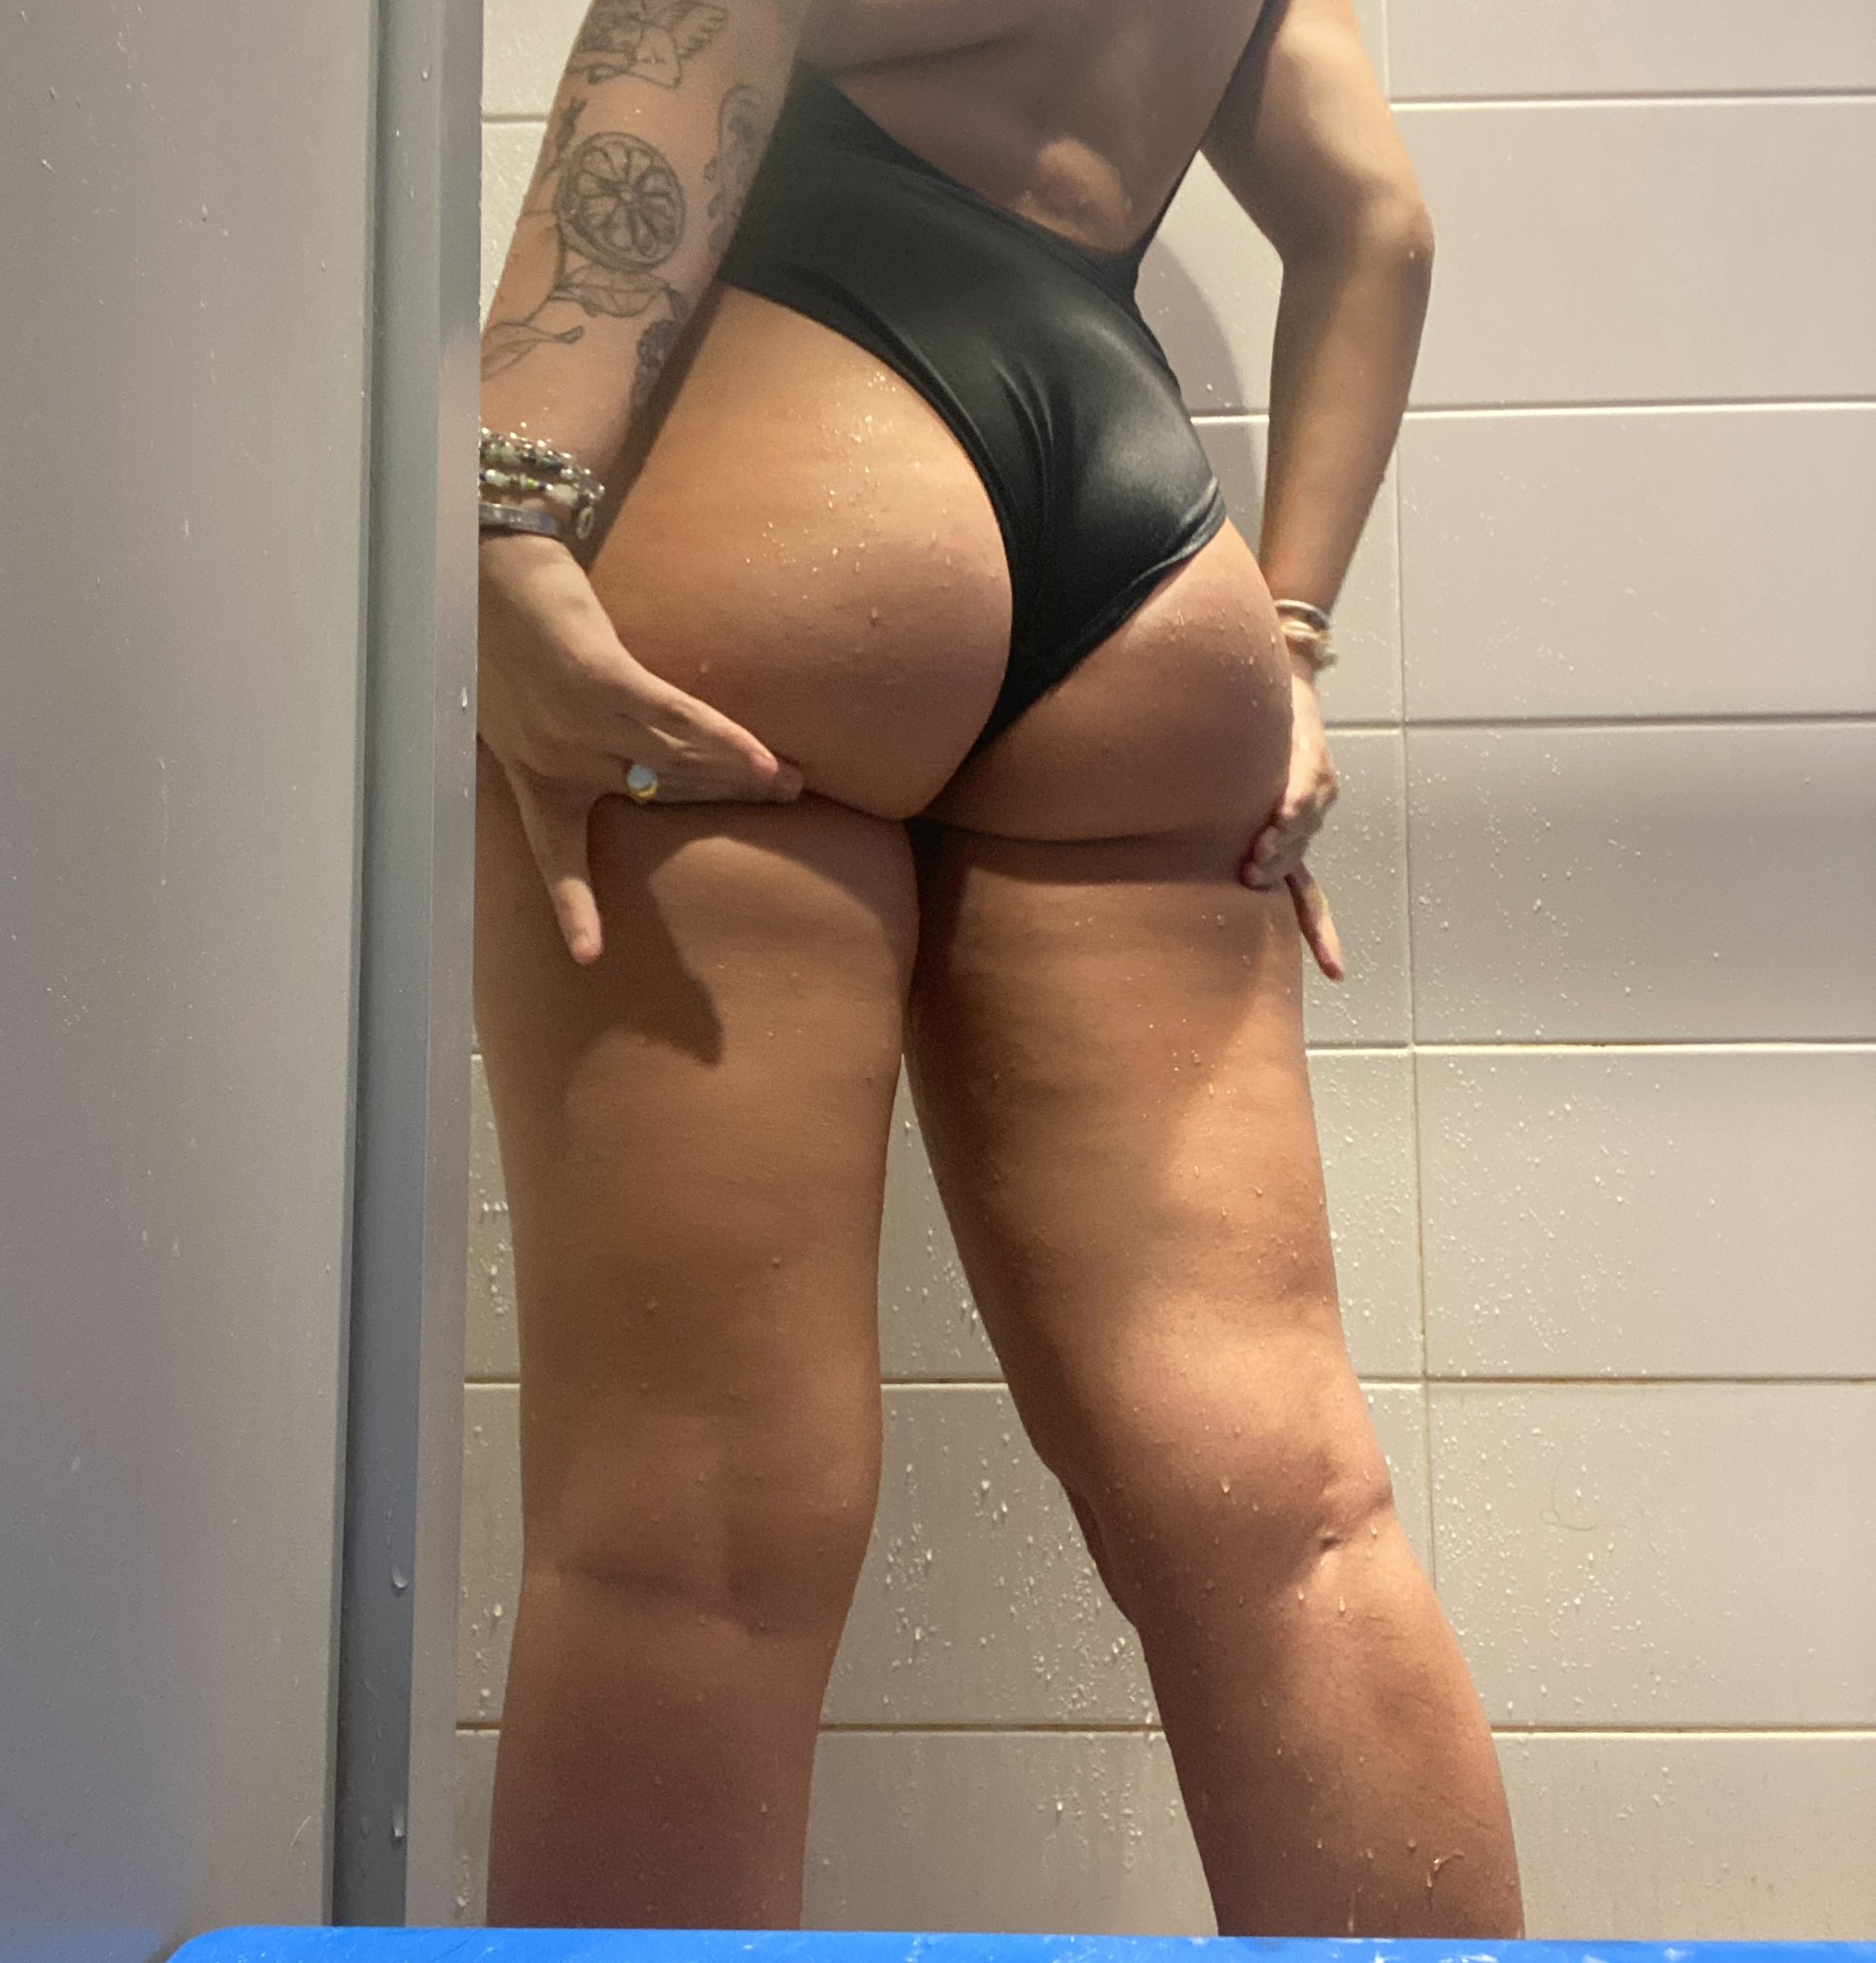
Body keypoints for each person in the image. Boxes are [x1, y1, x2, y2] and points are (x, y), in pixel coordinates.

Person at [472, 0, 1522, 1936]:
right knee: (1284, 1511)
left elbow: (695, 19)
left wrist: (515, 517)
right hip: (1146, 562)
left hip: (805, 446)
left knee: (686, 1538)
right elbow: (1374, 220)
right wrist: (1286, 638)